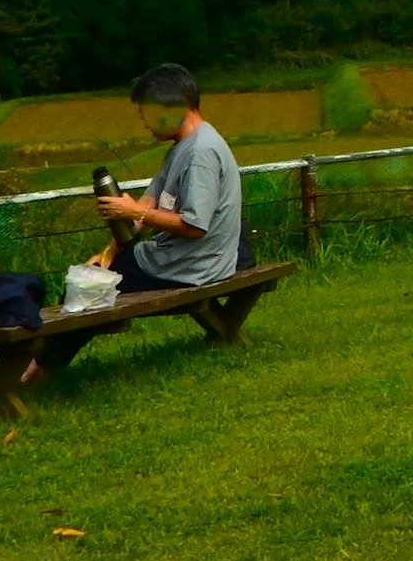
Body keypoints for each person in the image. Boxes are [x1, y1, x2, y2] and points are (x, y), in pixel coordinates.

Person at [24, 64, 248, 384]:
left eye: (145, 113)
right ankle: (37, 366)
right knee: (91, 278)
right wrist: (109, 252)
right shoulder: (182, 148)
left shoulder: (201, 153)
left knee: (85, 289)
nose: (144, 123)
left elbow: (195, 227)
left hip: (190, 267)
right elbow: (147, 204)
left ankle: (34, 372)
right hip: (181, 261)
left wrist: (133, 214)